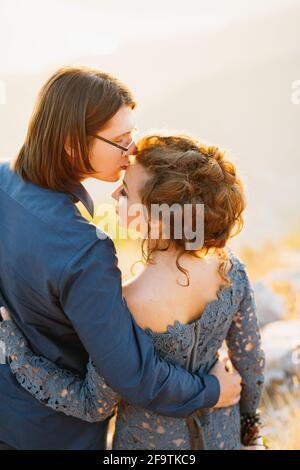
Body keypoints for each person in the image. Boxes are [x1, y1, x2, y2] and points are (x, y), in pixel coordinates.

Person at [0, 67, 241, 450]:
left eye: (132, 133)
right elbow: (132, 374)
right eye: (120, 140)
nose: (133, 150)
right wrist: (212, 390)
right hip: (57, 436)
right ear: (69, 143)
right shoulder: (86, 252)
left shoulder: (3, 180)